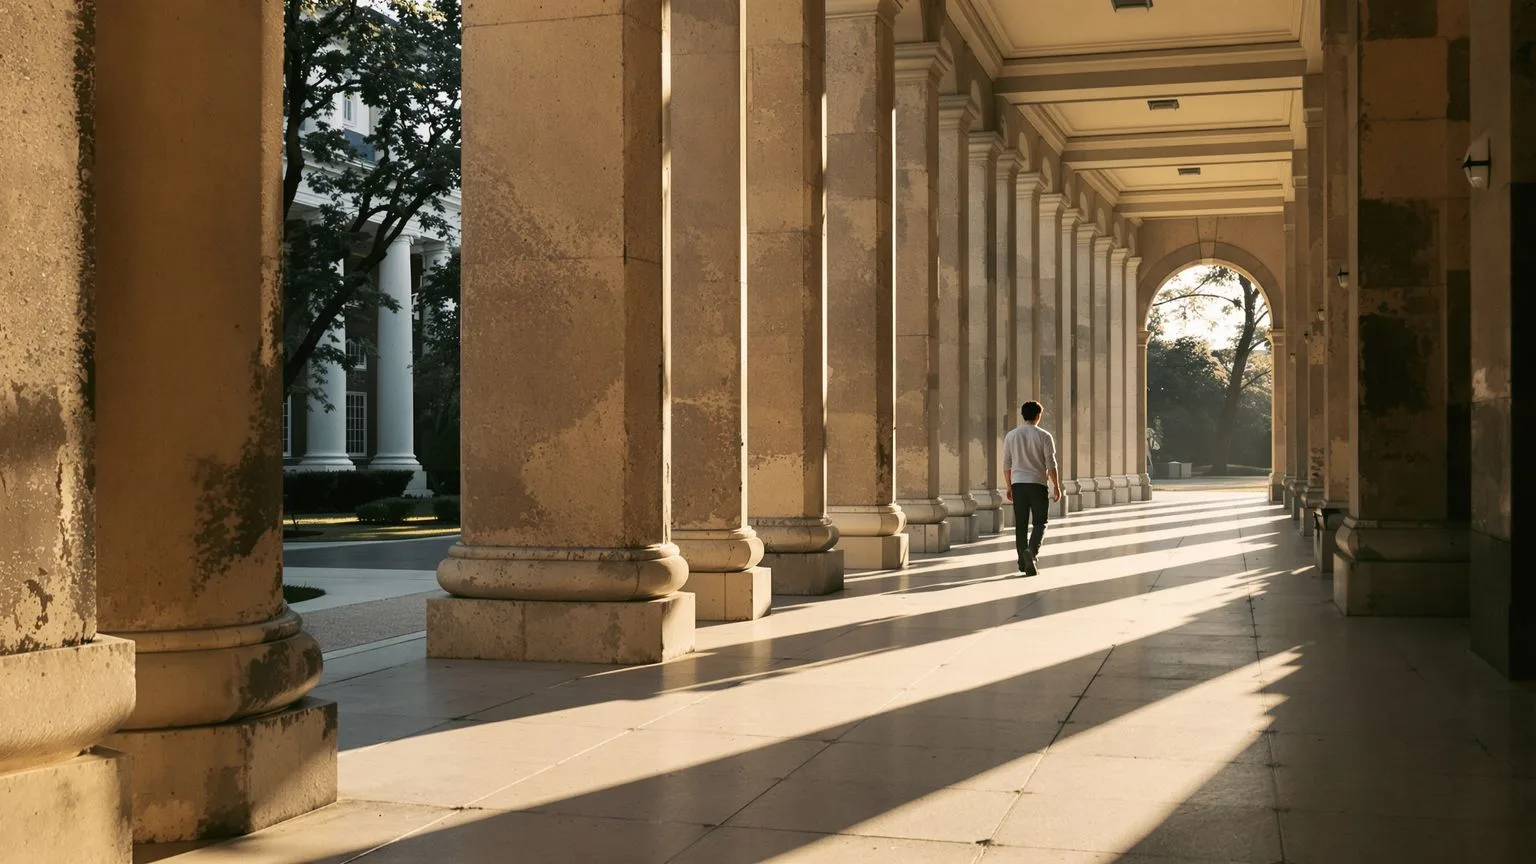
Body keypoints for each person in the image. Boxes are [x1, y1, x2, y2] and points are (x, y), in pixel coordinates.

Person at [1002, 401, 1062, 576]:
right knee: (1040, 522)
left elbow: (1007, 464)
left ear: (1023, 415)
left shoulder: (1011, 436)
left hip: (1018, 484)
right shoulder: (1044, 435)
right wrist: (1057, 486)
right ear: (1038, 416)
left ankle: (1022, 561)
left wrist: (1008, 485)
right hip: (1038, 484)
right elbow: (1051, 464)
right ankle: (1031, 552)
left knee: (1020, 524)